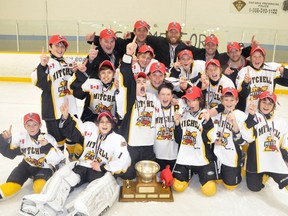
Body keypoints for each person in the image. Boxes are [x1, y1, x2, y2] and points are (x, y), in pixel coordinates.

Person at [20, 102, 131, 216]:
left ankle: (82, 211)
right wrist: (66, 116)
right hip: (83, 166)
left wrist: (103, 167)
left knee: (97, 188)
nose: (104, 124)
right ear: (97, 123)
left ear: (112, 124)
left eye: (108, 122)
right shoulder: (90, 130)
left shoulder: (118, 139)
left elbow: (124, 161)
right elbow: (74, 130)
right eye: (101, 121)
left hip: (100, 172)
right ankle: (47, 203)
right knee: (64, 177)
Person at [32, 34, 80, 160]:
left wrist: (77, 73)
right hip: (52, 112)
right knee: (57, 142)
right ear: (50, 47)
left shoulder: (70, 63)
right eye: (57, 45)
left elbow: (76, 85)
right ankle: (59, 162)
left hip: (70, 109)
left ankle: (72, 160)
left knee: (72, 138)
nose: (60, 48)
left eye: (62, 46)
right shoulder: (45, 63)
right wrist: (42, 66)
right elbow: (39, 83)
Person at [116, 39, 158, 180]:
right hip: (132, 143)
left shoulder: (153, 97)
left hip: (148, 144)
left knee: (152, 173)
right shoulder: (130, 97)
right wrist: (128, 55)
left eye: (143, 81)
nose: (141, 83)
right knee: (127, 175)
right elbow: (125, 74)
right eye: (138, 81)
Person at [0, 113, 64, 200]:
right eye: (28, 125)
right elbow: (9, 154)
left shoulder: (48, 138)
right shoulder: (20, 137)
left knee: (39, 188)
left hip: (43, 167)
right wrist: (4, 140)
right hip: (26, 165)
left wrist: (46, 146)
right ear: (25, 126)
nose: (32, 128)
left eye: (35, 124)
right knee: (11, 186)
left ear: (40, 125)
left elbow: (58, 159)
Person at [173, 86, 217, 196]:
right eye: (188, 100)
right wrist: (177, 124)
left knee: (209, 190)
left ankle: (198, 171)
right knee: (177, 187)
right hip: (186, 157)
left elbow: (211, 139)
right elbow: (178, 140)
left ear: (199, 100)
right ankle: (189, 171)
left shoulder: (205, 115)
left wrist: (208, 123)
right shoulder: (183, 115)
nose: (190, 103)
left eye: (193, 100)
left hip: (202, 158)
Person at [244, 91, 288, 192]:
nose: (266, 106)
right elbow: (247, 137)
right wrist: (250, 116)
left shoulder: (280, 122)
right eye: (264, 102)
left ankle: (269, 171)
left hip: (274, 159)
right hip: (256, 161)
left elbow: (286, 139)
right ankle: (265, 174)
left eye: (270, 103)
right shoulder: (252, 117)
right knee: (254, 188)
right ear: (259, 103)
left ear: (274, 106)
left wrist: (285, 153)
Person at [212, 87, 249, 190]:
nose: (229, 103)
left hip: (231, 155)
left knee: (230, 186)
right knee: (217, 180)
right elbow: (209, 132)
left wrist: (235, 125)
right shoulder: (216, 114)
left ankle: (240, 162)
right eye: (226, 99)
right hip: (217, 153)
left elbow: (243, 141)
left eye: (232, 100)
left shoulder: (241, 116)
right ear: (221, 100)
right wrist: (214, 139)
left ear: (236, 101)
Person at [235, 46, 286, 113]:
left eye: (260, 56)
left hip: (266, 112)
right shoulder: (244, 71)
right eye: (254, 56)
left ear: (264, 58)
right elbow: (242, 94)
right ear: (250, 58)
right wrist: (245, 83)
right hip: (249, 113)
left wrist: (284, 72)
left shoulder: (271, 68)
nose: (257, 59)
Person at [154, 82, 181, 171]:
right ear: (158, 95)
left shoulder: (178, 107)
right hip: (157, 154)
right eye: (163, 94)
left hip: (172, 154)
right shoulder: (154, 106)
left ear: (172, 96)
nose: (165, 97)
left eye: (168, 94)